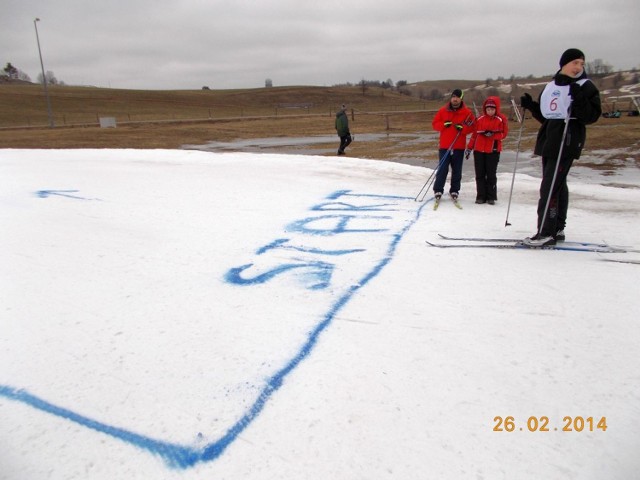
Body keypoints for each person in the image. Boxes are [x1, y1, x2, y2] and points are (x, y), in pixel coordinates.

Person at [520, 48, 601, 247]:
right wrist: (532, 107)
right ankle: (557, 227)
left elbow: (591, 116)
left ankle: (546, 232)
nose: (578, 67)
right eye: (575, 63)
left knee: (550, 186)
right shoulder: (551, 86)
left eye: (582, 64)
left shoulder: (585, 86)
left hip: (568, 140)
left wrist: (579, 97)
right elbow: (549, 115)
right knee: (557, 184)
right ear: (564, 64)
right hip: (550, 140)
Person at [431, 89, 475, 201]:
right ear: (451, 98)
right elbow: (435, 124)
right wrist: (443, 125)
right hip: (445, 146)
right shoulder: (443, 111)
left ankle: (454, 190)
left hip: (458, 147)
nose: (455, 99)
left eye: (457, 97)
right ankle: (438, 190)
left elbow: (472, 127)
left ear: (461, 98)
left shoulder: (467, 113)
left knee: (457, 170)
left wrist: (463, 128)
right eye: (453, 97)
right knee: (442, 169)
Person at [466, 96, 509, 205]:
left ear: (496, 109)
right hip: (479, 150)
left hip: (492, 150)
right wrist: (469, 148)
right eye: (488, 109)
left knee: (491, 174)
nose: (490, 111)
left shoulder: (501, 119)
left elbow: (504, 134)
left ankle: (491, 196)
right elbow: (474, 135)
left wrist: (493, 135)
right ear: (485, 109)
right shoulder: (480, 119)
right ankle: (481, 196)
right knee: (479, 174)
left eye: (492, 109)